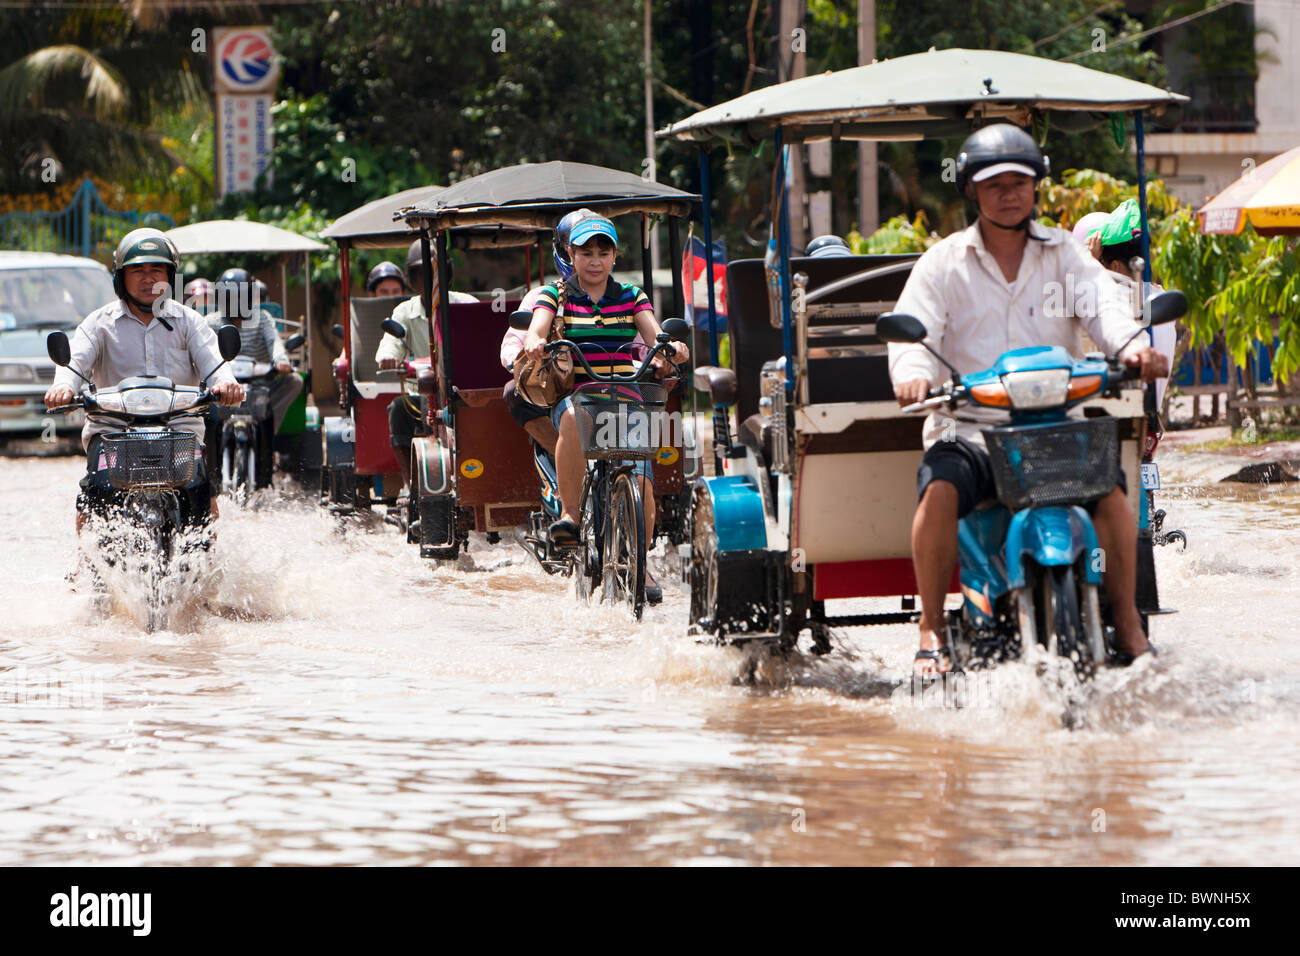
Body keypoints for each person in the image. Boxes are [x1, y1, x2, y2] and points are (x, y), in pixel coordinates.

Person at [887, 124, 1169, 677]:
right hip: (970, 427)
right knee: (939, 490)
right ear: (971, 189)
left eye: (1021, 182)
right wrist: (913, 376)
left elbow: (1105, 309)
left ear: (1036, 186)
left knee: (1113, 494)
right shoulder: (943, 263)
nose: (1010, 193)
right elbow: (911, 332)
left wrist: (1135, 348)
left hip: (1052, 428)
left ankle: (1130, 624)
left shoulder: (1065, 254)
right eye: (996, 184)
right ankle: (930, 631)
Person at [523, 214, 689, 606]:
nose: (594, 260)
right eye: (585, 252)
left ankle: (640, 563)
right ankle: (570, 516)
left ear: (614, 256)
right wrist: (534, 341)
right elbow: (537, 329)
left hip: (625, 396)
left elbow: (655, 335)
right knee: (569, 419)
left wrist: (671, 349)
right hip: (578, 394)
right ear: (571, 254)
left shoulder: (632, 295)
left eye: (603, 251)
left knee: (644, 488)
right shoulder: (554, 295)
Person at [43, 228, 244, 533]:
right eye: (137, 270)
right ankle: (88, 565)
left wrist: (226, 383)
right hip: (113, 433)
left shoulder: (189, 321)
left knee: (200, 492)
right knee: (94, 492)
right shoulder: (98, 324)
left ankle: (206, 567)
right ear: (121, 277)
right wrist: (63, 387)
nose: (148, 279)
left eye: (156, 269)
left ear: (170, 275)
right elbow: (74, 364)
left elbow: (215, 363)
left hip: (178, 431)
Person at [375, 240, 476, 495]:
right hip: (423, 394)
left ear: (448, 273)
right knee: (397, 409)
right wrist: (388, 357)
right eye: (422, 273)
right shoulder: (404, 311)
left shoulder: (466, 304)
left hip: (463, 391)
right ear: (412, 278)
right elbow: (390, 344)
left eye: (436, 271)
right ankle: (410, 485)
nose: (430, 278)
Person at [498, 210, 597, 456]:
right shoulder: (546, 296)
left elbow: (643, 343)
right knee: (514, 390)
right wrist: (527, 355)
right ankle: (565, 455)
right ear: (567, 254)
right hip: (560, 383)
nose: (589, 261)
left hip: (612, 379)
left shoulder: (627, 296)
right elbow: (515, 343)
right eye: (579, 251)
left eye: (599, 251)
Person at [1077, 199, 1179, 409]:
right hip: (1147, 419)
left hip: (1110, 416)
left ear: (1113, 265)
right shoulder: (1159, 296)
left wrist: (1088, 264)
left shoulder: (1110, 298)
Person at [209, 267, 302, 435]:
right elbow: (201, 347)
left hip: (259, 387)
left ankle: (266, 429)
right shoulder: (210, 323)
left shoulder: (262, 318)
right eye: (230, 297)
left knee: (294, 381)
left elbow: (274, 341)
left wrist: (281, 360)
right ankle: (207, 443)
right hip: (223, 389)